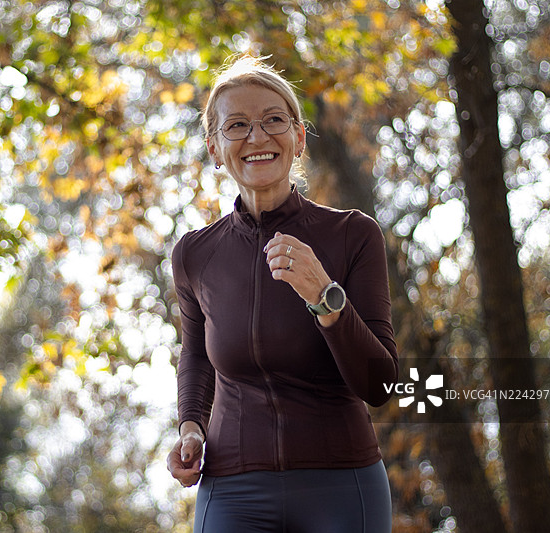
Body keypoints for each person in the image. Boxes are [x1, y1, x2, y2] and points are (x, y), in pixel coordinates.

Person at [166, 55, 399, 533]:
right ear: (215, 148)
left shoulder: (353, 235)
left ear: (298, 138)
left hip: (343, 482)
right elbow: (195, 355)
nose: (257, 137)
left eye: (274, 120)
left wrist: (324, 295)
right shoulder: (194, 254)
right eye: (237, 125)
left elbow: (379, 384)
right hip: (231, 487)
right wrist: (191, 425)